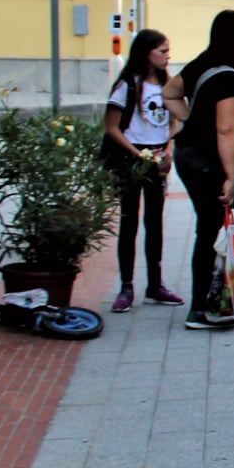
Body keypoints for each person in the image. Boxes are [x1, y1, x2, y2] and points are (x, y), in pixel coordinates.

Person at [163, 11, 234, 331]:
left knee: (207, 228)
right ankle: (199, 309)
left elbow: (169, 92)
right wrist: (231, 176)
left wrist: (190, 119)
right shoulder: (229, 78)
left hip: (186, 155)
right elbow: (226, 129)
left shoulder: (201, 64)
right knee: (207, 232)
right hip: (208, 162)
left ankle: (203, 301)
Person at [102, 30, 182, 313]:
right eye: (162, 51)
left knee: (155, 223)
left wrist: (168, 149)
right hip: (132, 158)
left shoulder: (168, 84)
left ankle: (155, 285)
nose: (168, 56)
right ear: (147, 53)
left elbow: (174, 121)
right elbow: (111, 126)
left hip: (158, 158)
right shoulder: (128, 85)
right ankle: (126, 287)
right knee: (129, 222)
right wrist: (138, 154)